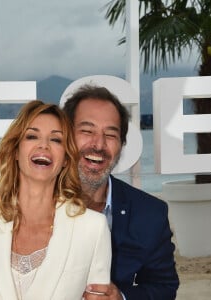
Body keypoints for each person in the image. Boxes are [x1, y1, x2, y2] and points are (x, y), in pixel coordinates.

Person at [0, 100, 111, 300]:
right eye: (32, 136)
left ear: (65, 158)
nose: (44, 145)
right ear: (14, 151)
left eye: (56, 140)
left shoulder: (93, 227)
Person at [62, 84, 179, 300]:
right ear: (65, 136)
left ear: (122, 145)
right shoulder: (33, 202)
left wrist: (122, 297)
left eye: (111, 134)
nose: (98, 144)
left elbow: (164, 287)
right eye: (87, 131)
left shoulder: (149, 213)